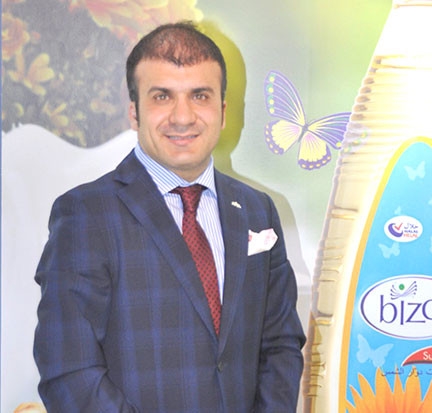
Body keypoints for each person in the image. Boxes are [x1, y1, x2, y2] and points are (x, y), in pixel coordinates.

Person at [33, 22, 306, 412]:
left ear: (222, 111)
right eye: (162, 96)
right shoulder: (86, 214)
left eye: (200, 95)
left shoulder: (256, 210)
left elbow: (280, 344)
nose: (182, 116)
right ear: (134, 112)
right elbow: (69, 371)